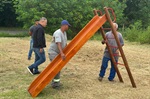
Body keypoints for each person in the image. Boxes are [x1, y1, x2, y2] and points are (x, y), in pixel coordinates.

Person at [48, 20, 71, 88]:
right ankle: (55, 84)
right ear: (64, 25)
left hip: (58, 52)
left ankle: (55, 82)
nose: (68, 27)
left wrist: (67, 51)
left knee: (58, 67)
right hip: (53, 52)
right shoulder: (58, 33)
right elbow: (58, 43)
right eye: (67, 26)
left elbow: (64, 43)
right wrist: (62, 53)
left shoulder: (64, 33)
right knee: (56, 67)